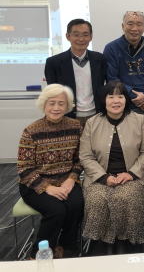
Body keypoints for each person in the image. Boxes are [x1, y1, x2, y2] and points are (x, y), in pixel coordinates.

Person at [79, 81, 144, 254]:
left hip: (133, 177)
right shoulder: (92, 123)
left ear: (126, 99)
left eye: (120, 96)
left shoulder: (139, 120)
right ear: (103, 100)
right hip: (99, 177)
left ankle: (125, 242)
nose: (116, 101)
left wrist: (131, 174)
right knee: (97, 199)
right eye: (111, 97)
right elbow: (85, 156)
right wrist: (104, 177)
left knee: (125, 197)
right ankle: (102, 243)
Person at [17, 84, 83, 258]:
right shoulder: (31, 131)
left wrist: (71, 179)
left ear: (67, 106)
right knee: (56, 210)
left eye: (61, 103)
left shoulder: (76, 126)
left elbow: (80, 159)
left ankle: (66, 247)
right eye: (51, 103)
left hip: (66, 180)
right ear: (44, 104)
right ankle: (38, 254)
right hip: (34, 184)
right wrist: (47, 187)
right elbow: (24, 168)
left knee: (77, 205)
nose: (56, 108)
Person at [103, 11, 144, 123]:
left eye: (139, 24)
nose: (135, 28)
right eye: (130, 24)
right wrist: (135, 97)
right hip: (125, 102)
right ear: (123, 26)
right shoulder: (111, 48)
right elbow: (112, 78)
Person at [44, 19, 106, 124]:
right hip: (67, 116)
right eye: (76, 35)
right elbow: (53, 93)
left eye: (85, 35)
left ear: (91, 37)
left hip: (96, 115)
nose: (81, 39)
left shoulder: (100, 59)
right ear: (68, 36)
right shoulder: (53, 62)